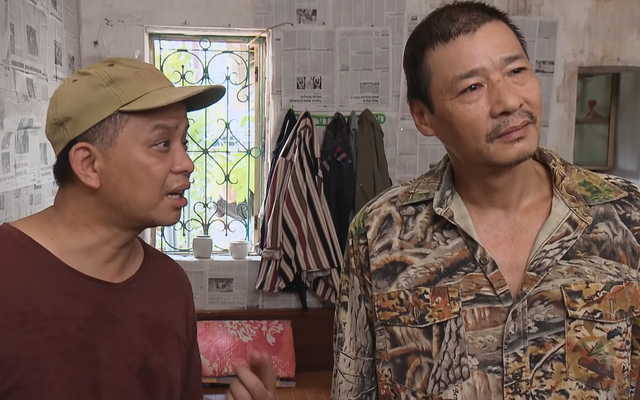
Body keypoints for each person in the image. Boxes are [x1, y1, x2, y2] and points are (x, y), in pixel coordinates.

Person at [331, 2, 640, 400]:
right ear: (424, 117)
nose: (509, 102)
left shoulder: (625, 214)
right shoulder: (380, 234)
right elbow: (353, 388)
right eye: (472, 88)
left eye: (517, 71)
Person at [0, 57, 276, 400]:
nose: (187, 164)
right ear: (89, 164)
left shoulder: (171, 286)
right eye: (162, 144)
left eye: (184, 142)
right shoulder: (7, 272)